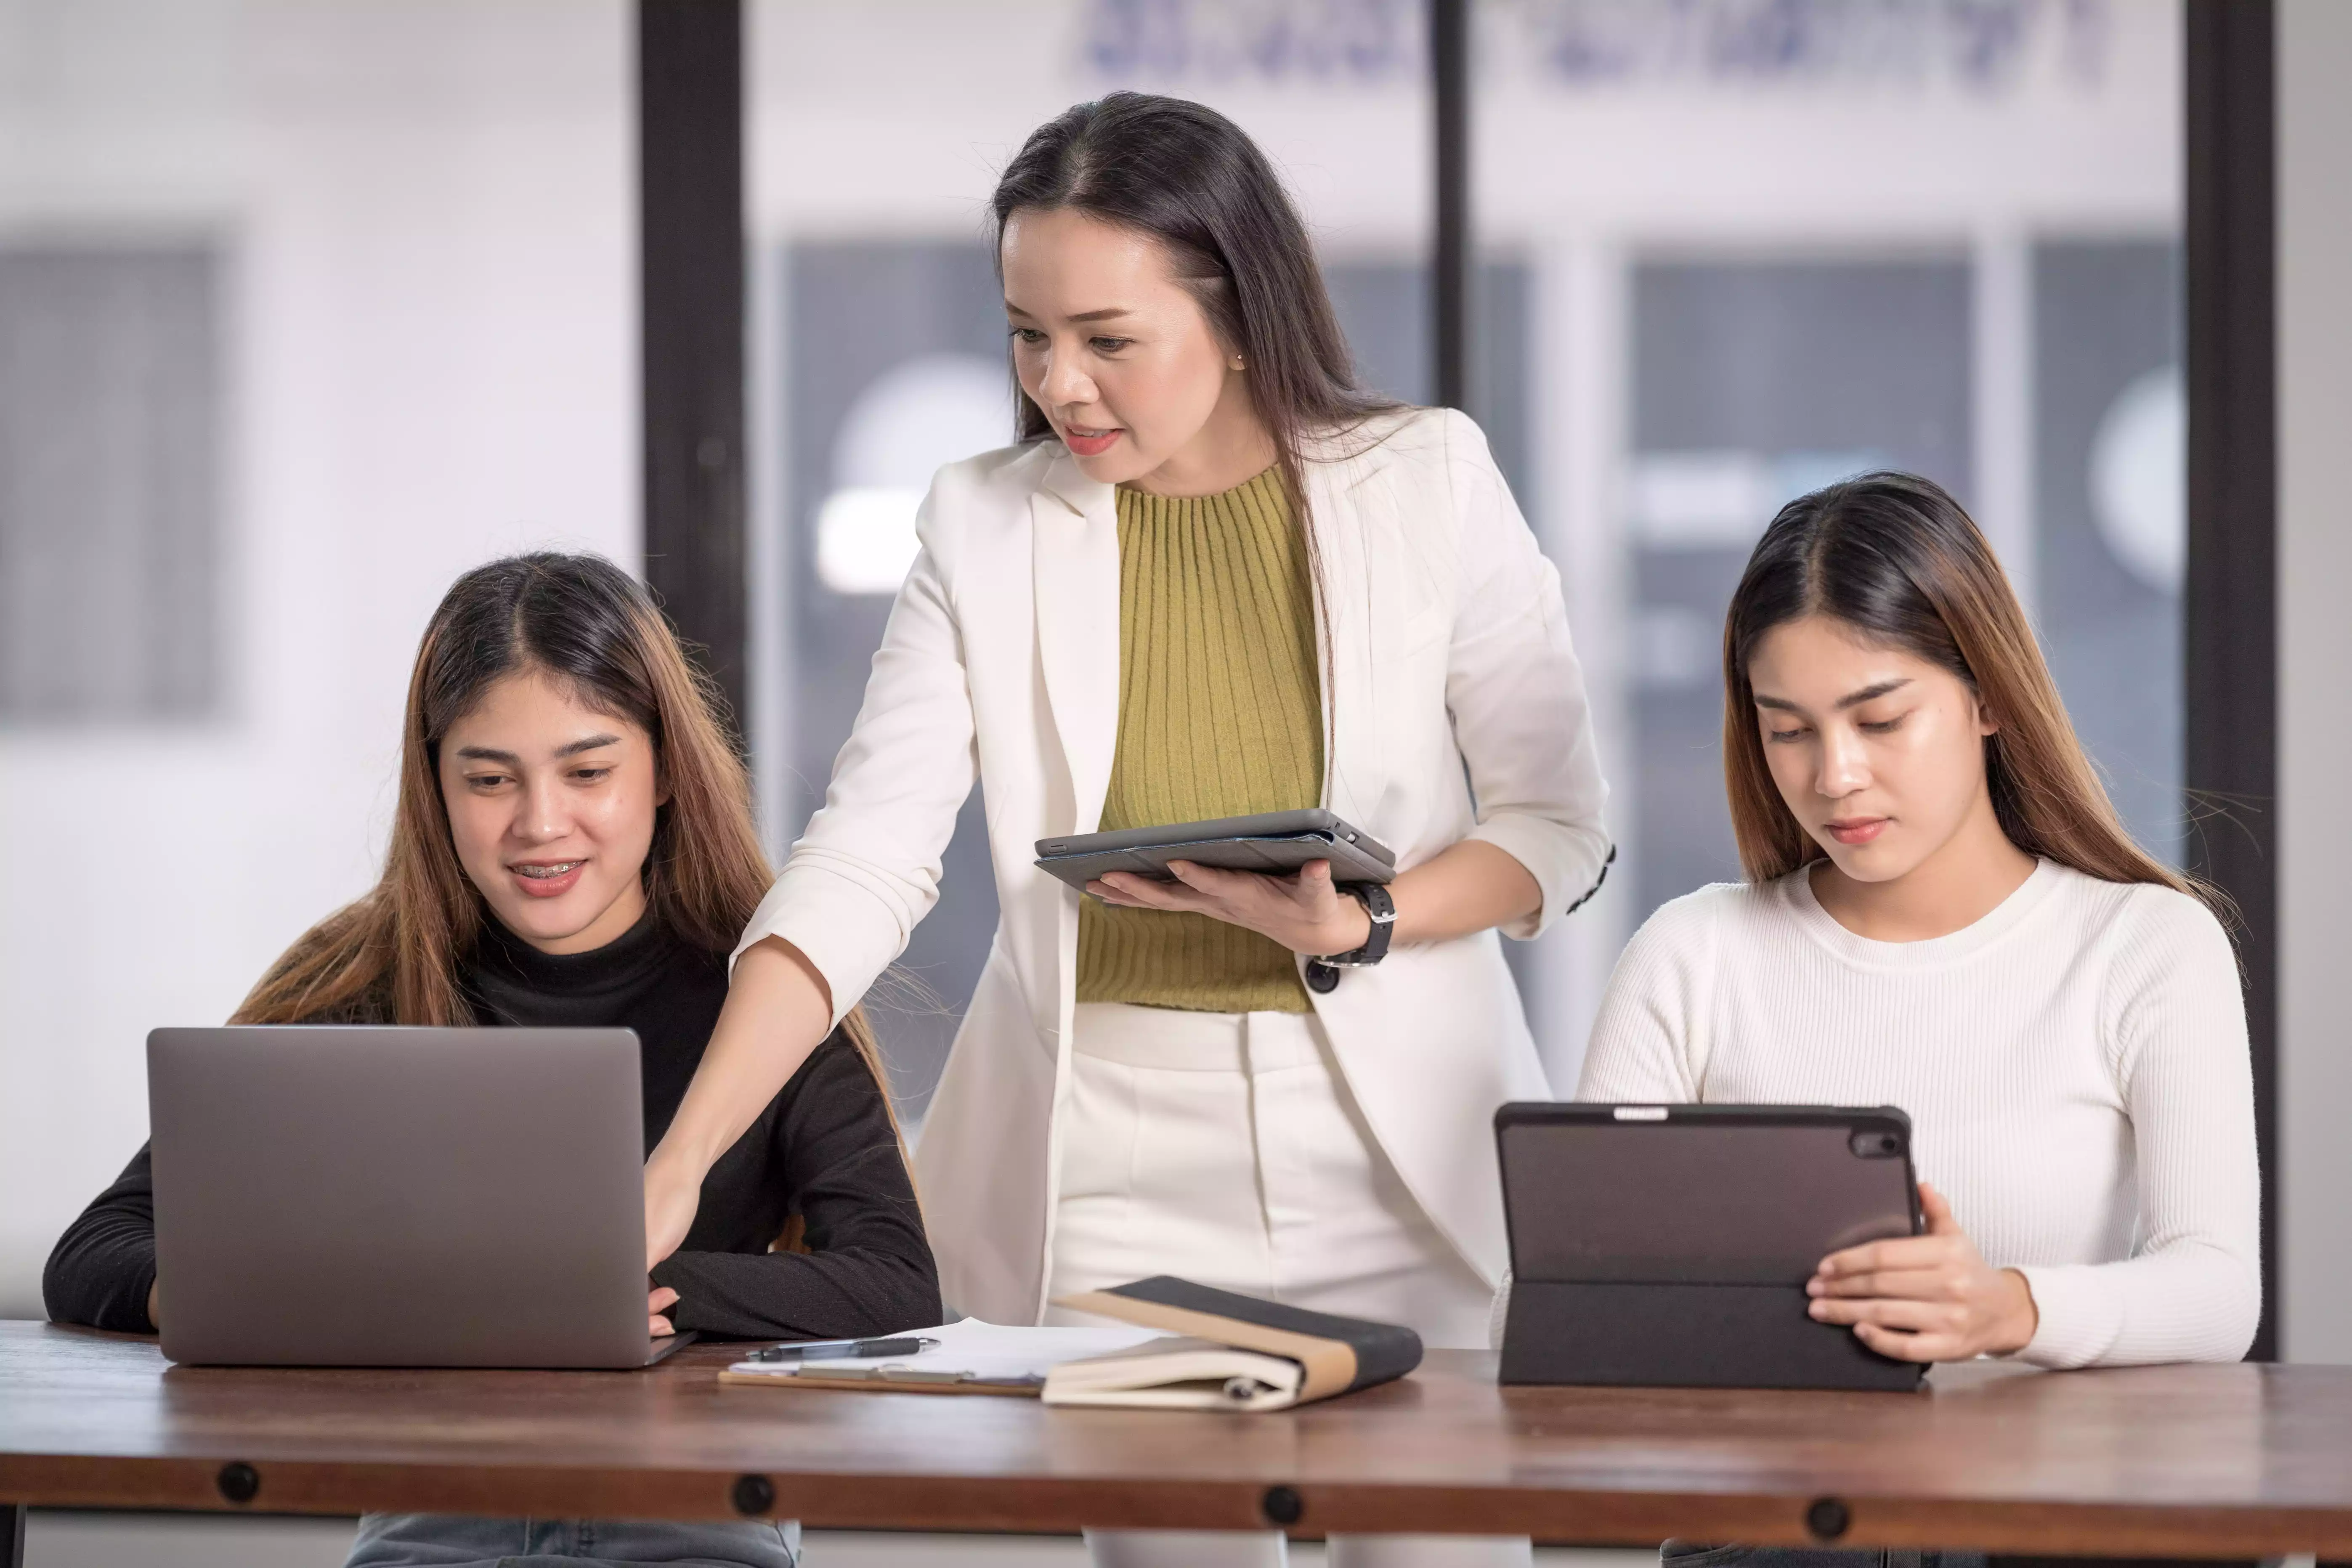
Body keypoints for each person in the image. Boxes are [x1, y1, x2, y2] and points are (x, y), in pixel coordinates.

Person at [640, 92, 1609, 1568]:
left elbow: (1560, 819)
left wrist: (1370, 919)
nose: (1060, 384)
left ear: (1234, 307)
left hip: (1395, 1151)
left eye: (1108, 338)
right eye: (1029, 334)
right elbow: (866, 854)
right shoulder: (982, 522)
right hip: (1116, 1165)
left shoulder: (1427, 478)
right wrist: (680, 1161)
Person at [45, 552, 939, 1568]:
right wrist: (240, 1297)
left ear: (662, 776)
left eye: (589, 770)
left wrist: (615, 1293)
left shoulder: (764, 1000)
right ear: (437, 786)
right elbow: (92, 1254)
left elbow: (895, 1286)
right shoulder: (362, 982)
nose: (539, 824)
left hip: (698, 1517)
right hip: (432, 1524)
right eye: (488, 779)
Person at [1576, 472, 2258, 1564]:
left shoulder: (2142, 944)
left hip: (2049, 1522)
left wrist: (2005, 1309)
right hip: (1777, 1525)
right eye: (1785, 729)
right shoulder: (1690, 954)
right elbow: (1583, 1294)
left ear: (1985, 695)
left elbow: (2216, 1288)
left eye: (1880, 716)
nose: (1833, 774)